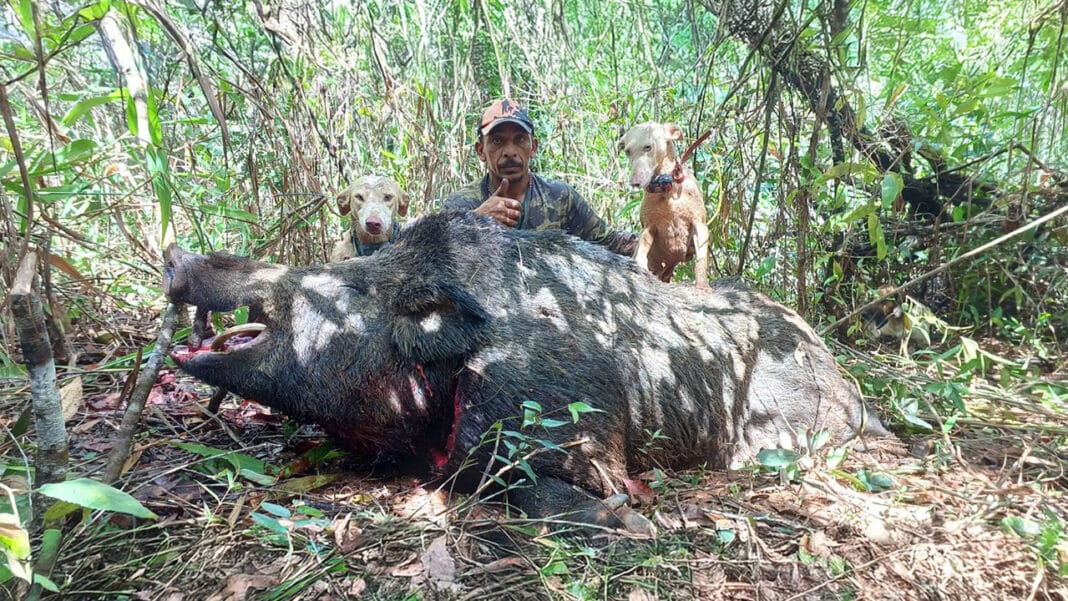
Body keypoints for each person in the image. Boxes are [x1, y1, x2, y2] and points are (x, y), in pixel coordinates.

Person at [442, 99, 637, 256]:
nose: (510, 151)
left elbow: (611, 243)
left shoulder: (560, 198)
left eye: (519, 139)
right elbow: (435, 258)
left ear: (533, 147)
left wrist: (655, 236)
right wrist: (475, 221)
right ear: (481, 151)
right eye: (497, 141)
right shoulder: (461, 205)